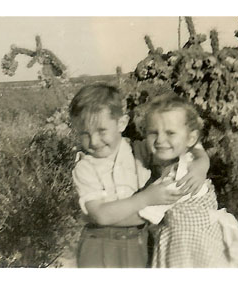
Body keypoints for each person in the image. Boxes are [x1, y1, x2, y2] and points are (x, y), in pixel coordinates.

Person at [69, 83, 209, 268]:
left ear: (121, 123)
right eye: (85, 134)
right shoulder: (85, 168)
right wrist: (145, 199)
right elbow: (100, 215)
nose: (93, 141)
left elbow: (186, 144)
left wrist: (202, 164)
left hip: (139, 241)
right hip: (101, 244)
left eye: (102, 131)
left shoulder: (139, 150)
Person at [137, 93, 238, 268]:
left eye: (170, 133)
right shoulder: (189, 157)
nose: (160, 139)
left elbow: (140, 215)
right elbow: (196, 147)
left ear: (190, 138)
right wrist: (203, 161)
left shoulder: (177, 178)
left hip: (187, 253)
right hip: (209, 245)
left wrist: (103, 216)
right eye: (153, 132)